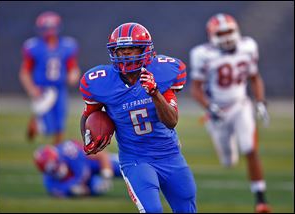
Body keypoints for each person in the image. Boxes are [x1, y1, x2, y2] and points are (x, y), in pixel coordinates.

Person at [79, 23, 197, 213]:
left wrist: (155, 92)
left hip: (170, 154)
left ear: (145, 50)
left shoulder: (162, 74)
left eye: (131, 49)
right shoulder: (101, 82)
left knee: (187, 209)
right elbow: (88, 115)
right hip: (136, 158)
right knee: (152, 210)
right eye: (120, 50)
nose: (125, 54)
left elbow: (171, 121)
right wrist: (88, 138)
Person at [189, 13, 271, 213]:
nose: (226, 37)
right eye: (221, 33)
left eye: (229, 32)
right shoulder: (202, 54)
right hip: (217, 112)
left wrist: (260, 102)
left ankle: (261, 200)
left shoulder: (248, 46)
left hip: (240, 104)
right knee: (229, 161)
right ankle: (225, 140)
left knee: (250, 148)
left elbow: (255, 77)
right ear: (212, 35)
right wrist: (209, 108)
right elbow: (196, 88)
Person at [19, 11, 81, 145]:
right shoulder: (33, 46)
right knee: (47, 126)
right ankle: (35, 123)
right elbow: (25, 71)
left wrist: (73, 75)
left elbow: (73, 67)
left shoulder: (67, 45)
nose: (49, 32)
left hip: (59, 88)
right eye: (46, 28)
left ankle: (56, 151)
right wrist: (31, 89)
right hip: (42, 88)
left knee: (60, 123)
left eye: (51, 28)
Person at [33, 139, 121, 197]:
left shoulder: (71, 152)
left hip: (92, 165)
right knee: (97, 188)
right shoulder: (51, 183)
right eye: (53, 172)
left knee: (123, 167)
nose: (59, 171)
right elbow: (77, 191)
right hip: (89, 180)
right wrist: (77, 191)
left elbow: (102, 155)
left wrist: (106, 175)